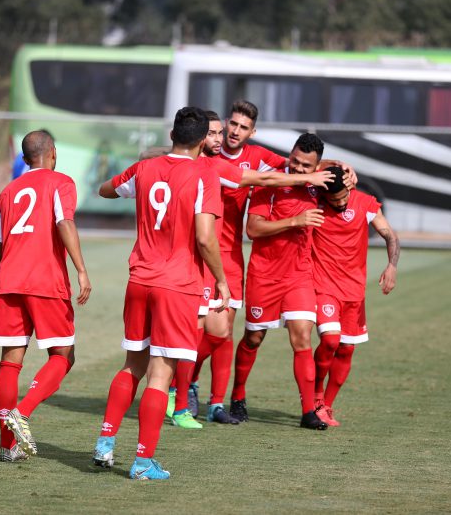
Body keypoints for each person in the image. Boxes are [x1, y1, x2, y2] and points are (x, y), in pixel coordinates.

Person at [167, 111, 335, 428]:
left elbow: (333, 184)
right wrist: (297, 212)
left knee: (295, 337)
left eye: (242, 127)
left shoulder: (264, 159)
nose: (229, 133)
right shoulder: (216, 166)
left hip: (269, 269)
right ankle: (187, 387)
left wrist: (343, 170)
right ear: (206, 135)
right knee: (228, 336)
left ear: (251, 131)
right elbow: (256, 221)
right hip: (229, 264)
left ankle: (304, 410)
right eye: (221, 129)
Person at [92, 107, 227, 480]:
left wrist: (138, 176)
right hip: (177, 285)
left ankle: (105, 443)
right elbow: (204, 237)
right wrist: (222, 280)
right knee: (159, 376)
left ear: (171, 134)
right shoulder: (205, 175)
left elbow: (105, 190)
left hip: (140, 280)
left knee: (131, 365)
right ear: (203, 141)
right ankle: (141, 462)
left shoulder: (145, 168)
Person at [0, 130, 92, 462]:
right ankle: (23, 411)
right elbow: (64, 222)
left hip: (9, 283)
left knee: (10, 361)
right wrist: (81, 269)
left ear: (25, 157)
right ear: (52, 152)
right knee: (63, 355)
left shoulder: (7, 192)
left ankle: (7, 447)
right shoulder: (60, 182)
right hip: (46, 282)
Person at [229, 133, 329, 430]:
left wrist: (347, 176)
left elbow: (342, 192)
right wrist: (294, 222)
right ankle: (237, 395)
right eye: (295, 161)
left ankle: (308, 411)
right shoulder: (268, 184)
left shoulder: (317, 187)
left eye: (305, 165)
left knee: (302, 339)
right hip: (265, 274)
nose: (298, 169)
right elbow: (253, 229)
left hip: (299, 275)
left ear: (316, 166)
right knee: (253, 338)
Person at [312, 166, 399, 426]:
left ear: (350, 188)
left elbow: (389, 235)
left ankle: (327, 406)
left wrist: (392, 265)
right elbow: (295, 166)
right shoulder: (314, 201)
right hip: (323, 285)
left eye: (342, 199)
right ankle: (315, 397)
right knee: (330, 340)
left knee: (347, 348)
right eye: (333, 201)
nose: (339, 204)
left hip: (353, 290)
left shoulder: (365, 203)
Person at [0, 130, 54, 295]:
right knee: (9, 243)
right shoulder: (35, 162)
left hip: (16, 200)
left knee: (7, 242)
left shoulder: (23, 156)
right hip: (24, 203)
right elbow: (29, 181)